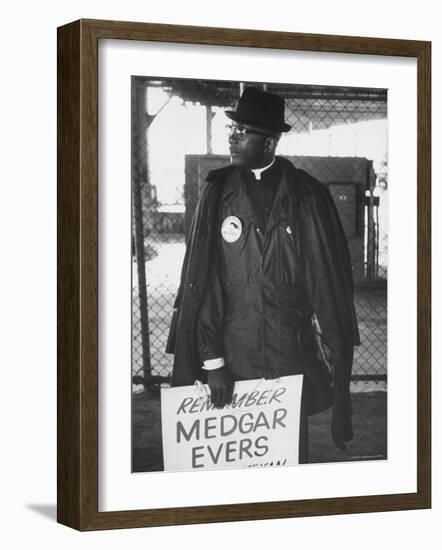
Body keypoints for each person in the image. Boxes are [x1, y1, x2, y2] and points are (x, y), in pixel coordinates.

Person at [166, 87, 360, 460]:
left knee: (288, 457)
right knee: (236, 462)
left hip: (291, 356)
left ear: (270, 142)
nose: (232, 137)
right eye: (232, 129)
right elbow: (202, 283)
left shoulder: (307, 196)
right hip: (232, 361)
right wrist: (214, 363)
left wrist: (335, 347)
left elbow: (328, 281)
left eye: (243, 131)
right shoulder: (217, 194)